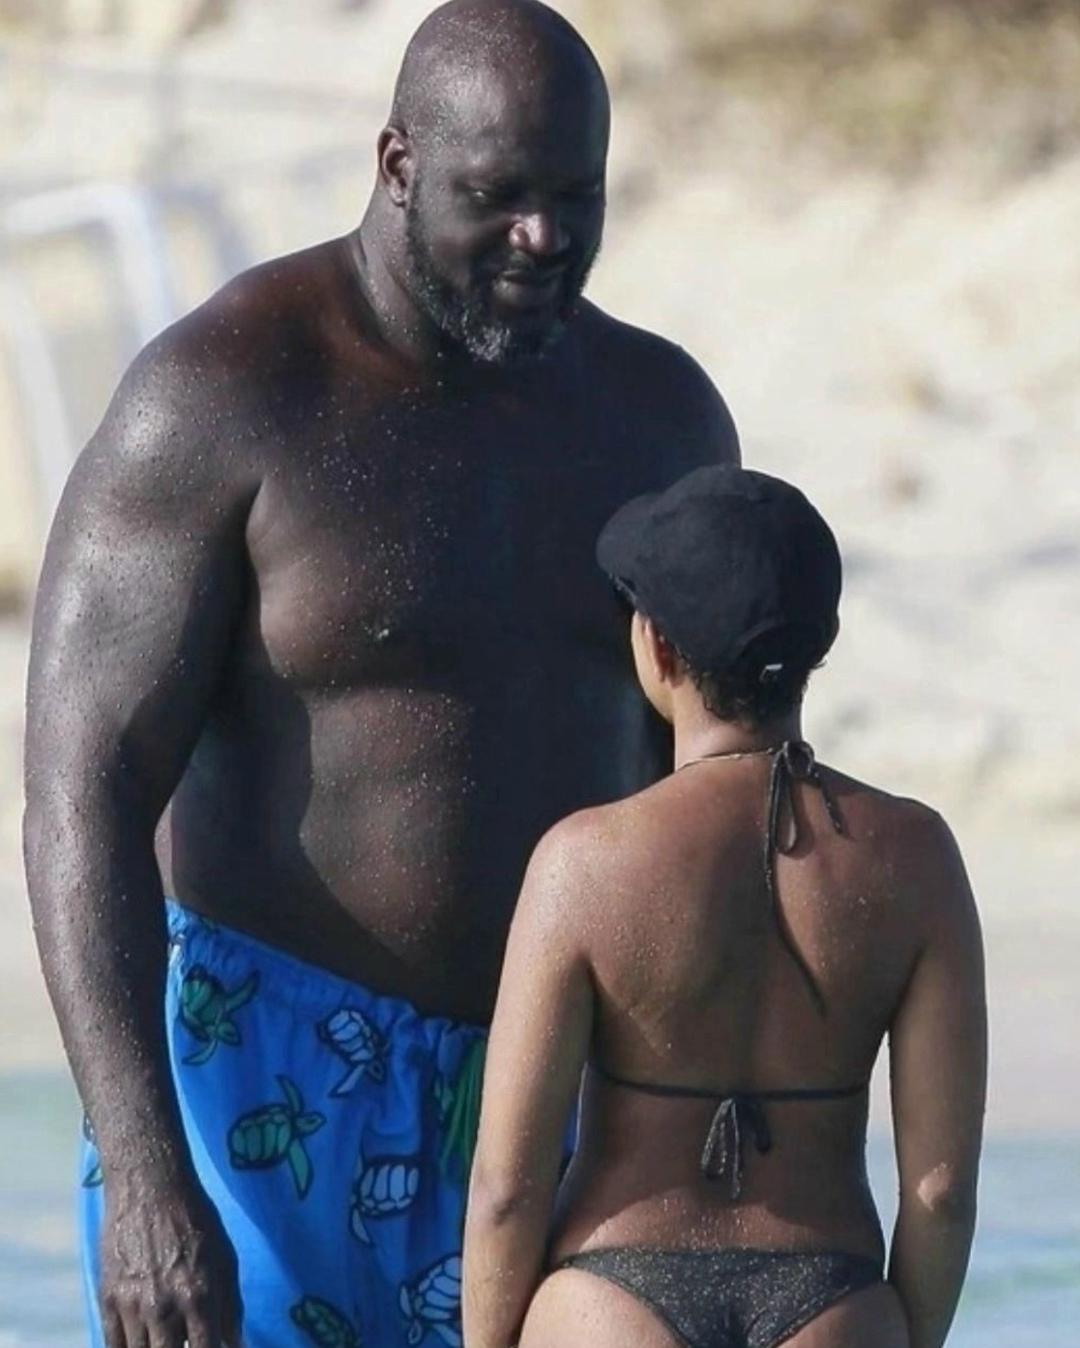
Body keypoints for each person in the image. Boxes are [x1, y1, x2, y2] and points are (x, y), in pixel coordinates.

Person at [21, 2, 740, 1345]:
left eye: (576, 198)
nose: (544, 238)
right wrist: (146, 1177)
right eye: (498, 196)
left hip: (548, 1103)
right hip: (253, 1094)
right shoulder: (224, 392)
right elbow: (82, 789)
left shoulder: (659, 421)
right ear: (397, 164)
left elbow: (709, 790)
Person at [463, 464, 987, 1348]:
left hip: (611, 1303)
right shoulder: (917, 858)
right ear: (816, 650)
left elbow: (506, 1190)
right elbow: (941, 1193)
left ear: (659, 649)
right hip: (832, 1296)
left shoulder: (582, 862)